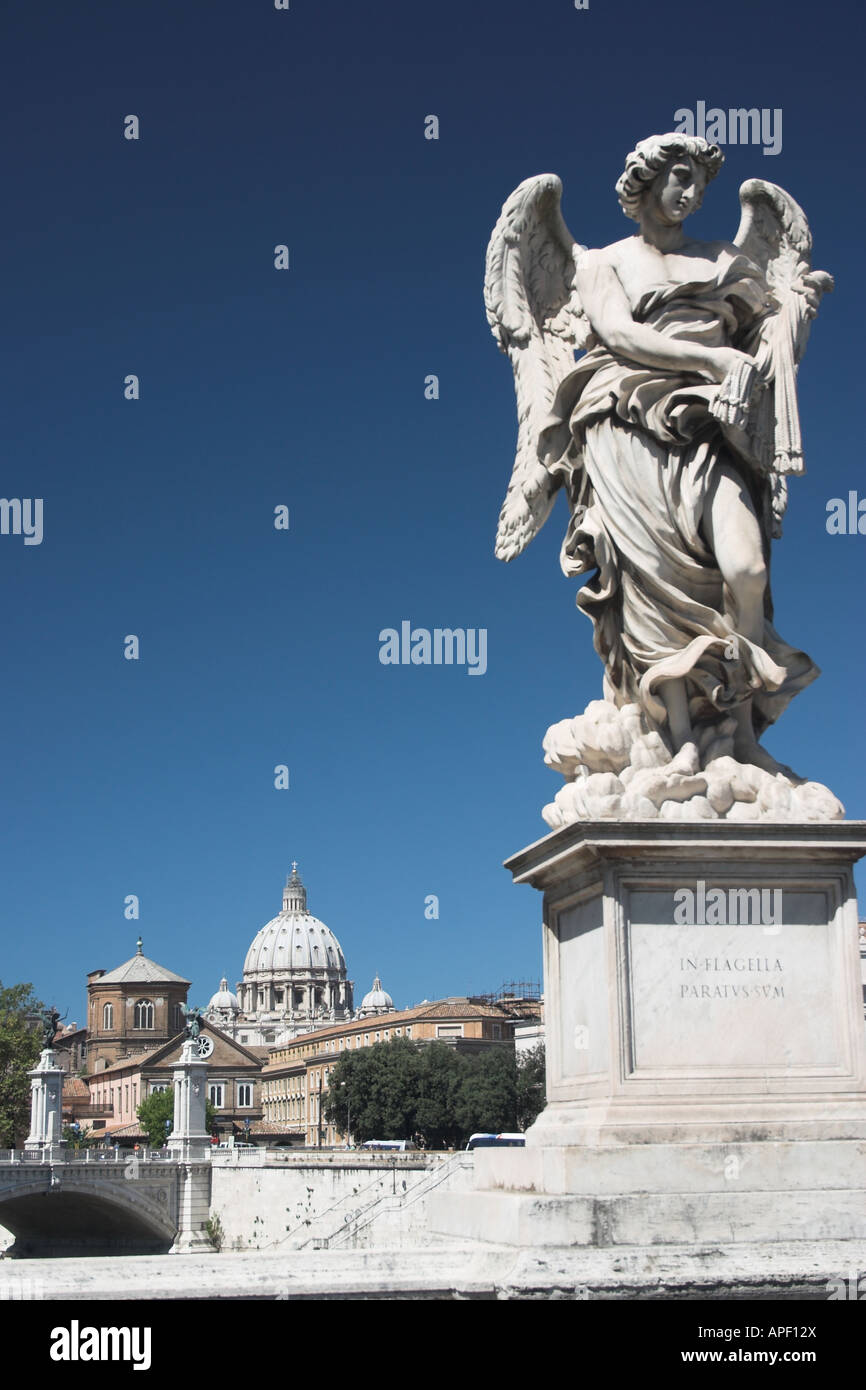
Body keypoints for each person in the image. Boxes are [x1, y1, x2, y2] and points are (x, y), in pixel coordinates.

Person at [539, 134, 821, 772]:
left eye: (698, 181)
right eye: (678, 177)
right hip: (627, 423)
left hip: (713, 429)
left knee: (743, 572)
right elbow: (615, 333)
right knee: (650, 585)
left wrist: (793, 315)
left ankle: (743, 730)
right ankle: (685, 739)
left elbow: (764, 349)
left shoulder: (725, 259)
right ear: (644, 183)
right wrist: (711, 358)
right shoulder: (602, 262)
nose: (690, 193)